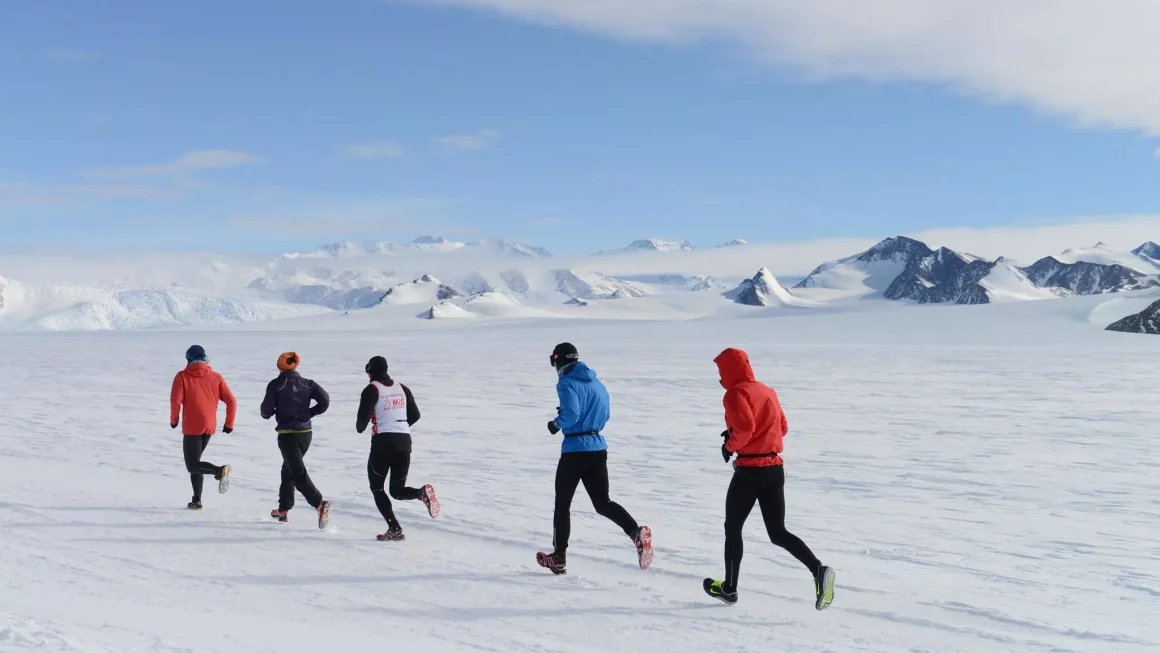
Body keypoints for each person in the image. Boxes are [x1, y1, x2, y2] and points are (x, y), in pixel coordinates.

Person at [702, 347, 835, 610]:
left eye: (720, 370)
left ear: (730, 369)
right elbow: (782, 427)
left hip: (750, 471)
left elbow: (746, 427)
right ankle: (819, 570)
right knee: (778, 532)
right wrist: (755, 436)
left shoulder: (735, 393)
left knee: (733, 527)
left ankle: (729, 589)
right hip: (774, 469)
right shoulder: (767, 391)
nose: (719, 375)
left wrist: (730, 446)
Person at [536, 342, 652, 575]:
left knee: (563, 503)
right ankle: (635, 532)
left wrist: (556, 424)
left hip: (574, 450)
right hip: (598, 448)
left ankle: (559, 557)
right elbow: (605, 413)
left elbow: (571, 414)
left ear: (559, 361)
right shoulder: (597, 384)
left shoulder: (566, 383)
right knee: (602, 503)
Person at [355, 355, 440, 541]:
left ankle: (394, 528)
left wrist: (373, 422)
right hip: (404, 442)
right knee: (396, 491)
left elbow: (360, 426)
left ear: (370, 372)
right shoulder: (402, 388)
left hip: (383, 443)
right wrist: (398, 425)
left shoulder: (371, 389)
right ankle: (420, 493)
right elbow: (415, 415)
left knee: (377, 487)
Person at [260, 351, 332, 529]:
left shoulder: (276, 385)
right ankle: (283, 509)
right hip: (306, 433)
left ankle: (319, 503)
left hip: (287, 435)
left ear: (279, 365)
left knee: (297, 472)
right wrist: (310, 413)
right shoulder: (307, 383)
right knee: (289, 469)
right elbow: (325, 401)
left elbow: (265, 412)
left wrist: (270, 412)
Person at [169, 345, 236, 510]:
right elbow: (232, 401)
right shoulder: (216, 377)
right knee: (196, 463)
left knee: (192, 465)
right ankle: (196, 500)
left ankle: (219, 471)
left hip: (192, 427)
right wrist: (229, 424)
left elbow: (175, 401)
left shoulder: (182, 376)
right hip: (209, 426)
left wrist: (174, 420)